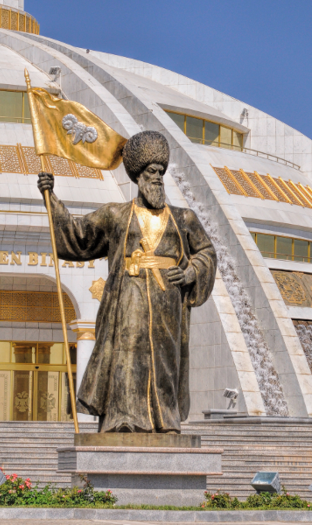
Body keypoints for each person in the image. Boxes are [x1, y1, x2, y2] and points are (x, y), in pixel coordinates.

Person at [37, 131, 217, 433]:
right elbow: (77, 236)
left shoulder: (183, 218)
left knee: (163, 362)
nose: (158, 178)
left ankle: (165, 421)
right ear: (138, 176)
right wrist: (51, 199)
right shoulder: (116, 215)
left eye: (161, 172)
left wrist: (189, 273)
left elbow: (207, 252)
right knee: (127, 356)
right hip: (127, 302)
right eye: (151, 172)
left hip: (166, 306)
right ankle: (123, 420)